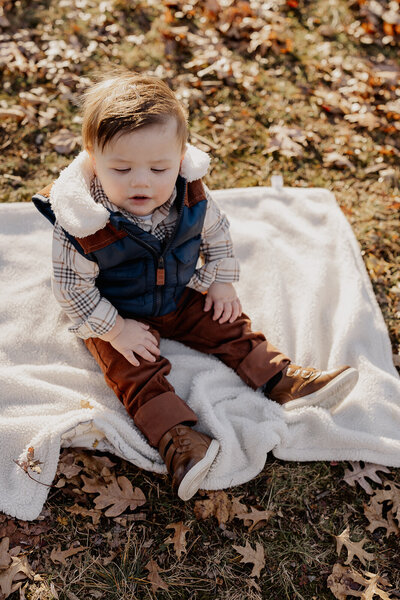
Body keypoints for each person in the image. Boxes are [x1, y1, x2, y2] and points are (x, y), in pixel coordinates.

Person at [32, 69, 358, 501]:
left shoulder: (190, 192)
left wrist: (222, 282)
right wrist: (114, 330)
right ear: (93, 158)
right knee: (131, 369)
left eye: (158, 167)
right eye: (122, 168)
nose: (141, 181)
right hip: (116, 310)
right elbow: (73, 291)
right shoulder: (80, 222)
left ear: (181, 156)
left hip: (179, 294)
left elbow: (217, 235)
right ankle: (178, 440)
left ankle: (280, 377)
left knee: (226, 322)